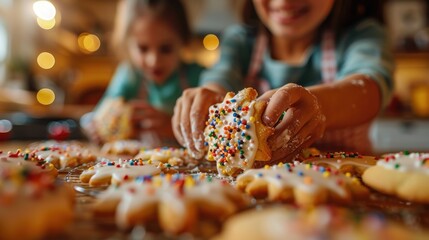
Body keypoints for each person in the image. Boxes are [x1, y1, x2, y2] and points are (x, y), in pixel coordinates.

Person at [172, 0, 393, 161]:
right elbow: (220, 77)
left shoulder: (361, 35)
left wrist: (318, 106)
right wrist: (209, 95)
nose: (285, 2)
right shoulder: (240, 41)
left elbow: (369, 89)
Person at [82, 0, 204, 145]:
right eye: (143, 48)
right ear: (128, 44)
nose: (154, 61)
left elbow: (212, 133)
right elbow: (98, 115)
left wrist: (173, 127)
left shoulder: (199, 78)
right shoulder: (130, 75)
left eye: (165, 49)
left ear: (183, 41)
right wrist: (94, 128)